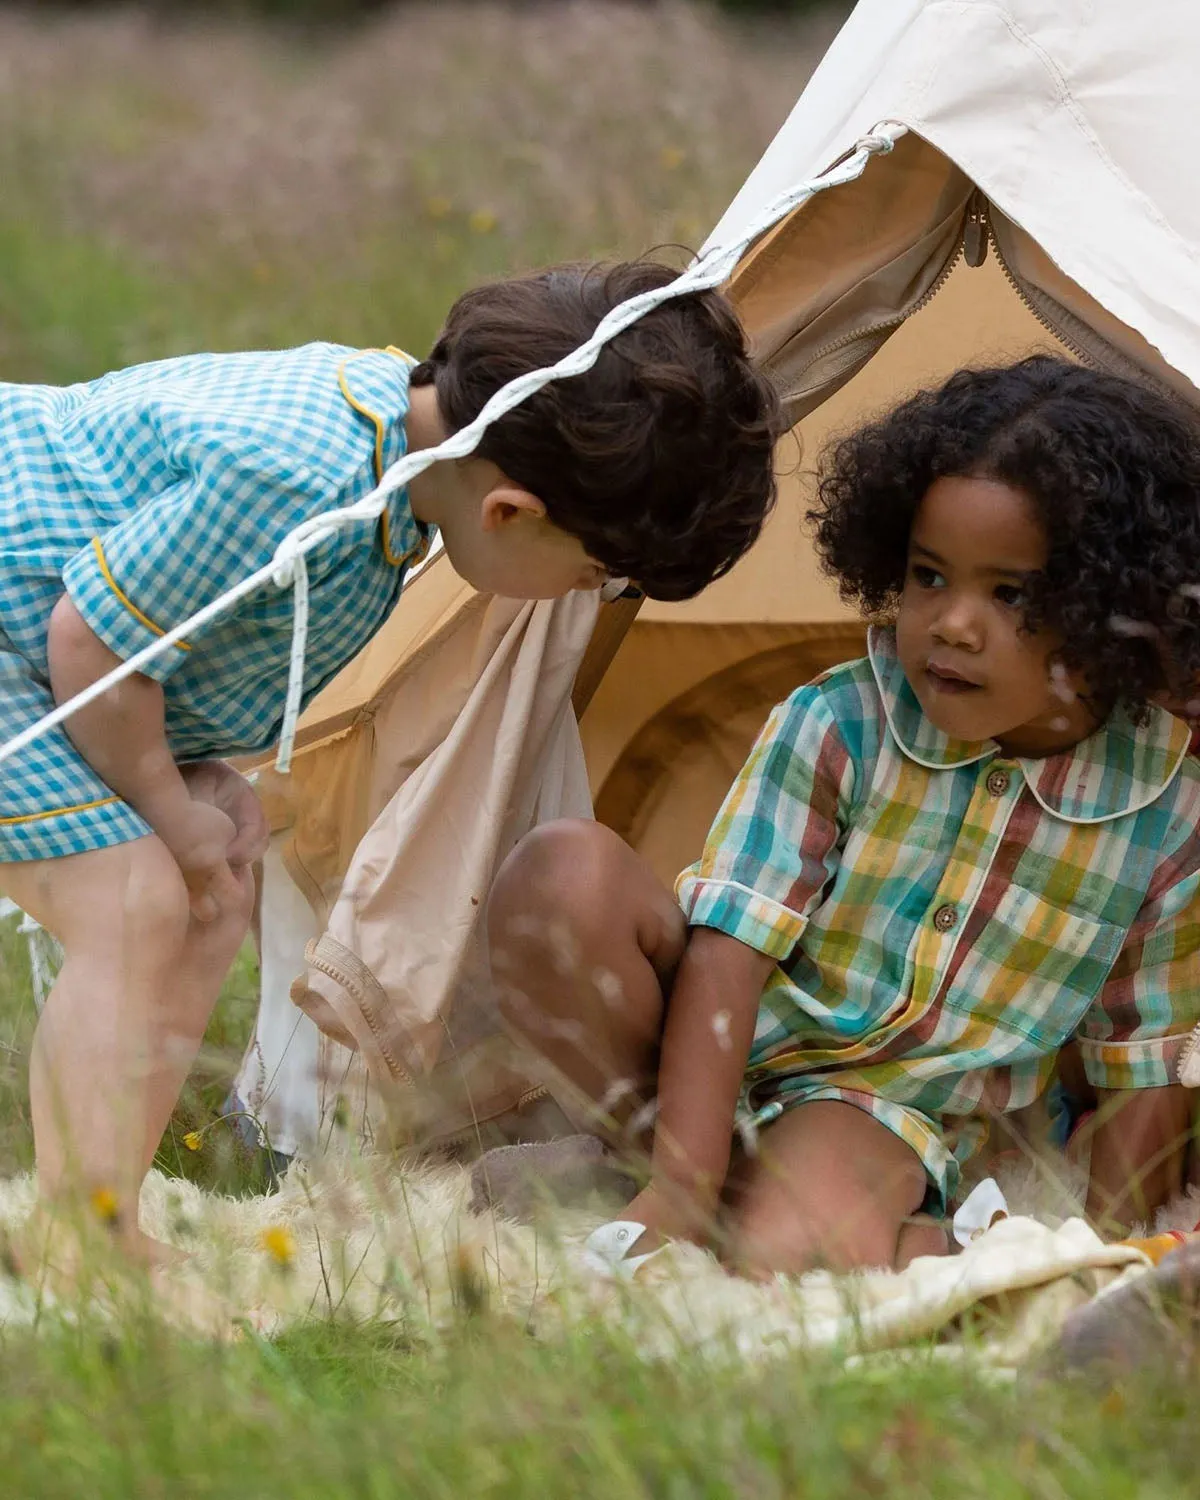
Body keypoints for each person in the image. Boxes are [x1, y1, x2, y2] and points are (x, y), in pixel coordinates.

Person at [0, 258, 781, 1270]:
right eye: (595, 574)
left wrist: (189, 780)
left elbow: (164, 637)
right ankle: (80, 1238)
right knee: (132, 901)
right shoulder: (297, 477)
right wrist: (157, 795)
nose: (585, 595)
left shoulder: (392, 459)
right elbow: (92, 642)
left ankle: (107, 1204)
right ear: (509, 512)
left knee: (203, 894)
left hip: (45, 659)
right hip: (43, 650)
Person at [488, 355, 1200, 1279]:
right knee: (559, 878)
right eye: (928, 576)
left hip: (894, 1117)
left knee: (789, 1248)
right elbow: (730, 947)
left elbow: (1142, 1061)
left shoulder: (1166, 816)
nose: (951, 623)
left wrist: (1107, 1258)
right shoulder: (840, 722)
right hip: (721, 1051)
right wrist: (681, 1182)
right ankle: (683, 1176)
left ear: (1110, 605)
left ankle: (901, 1235)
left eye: (1010, 594)